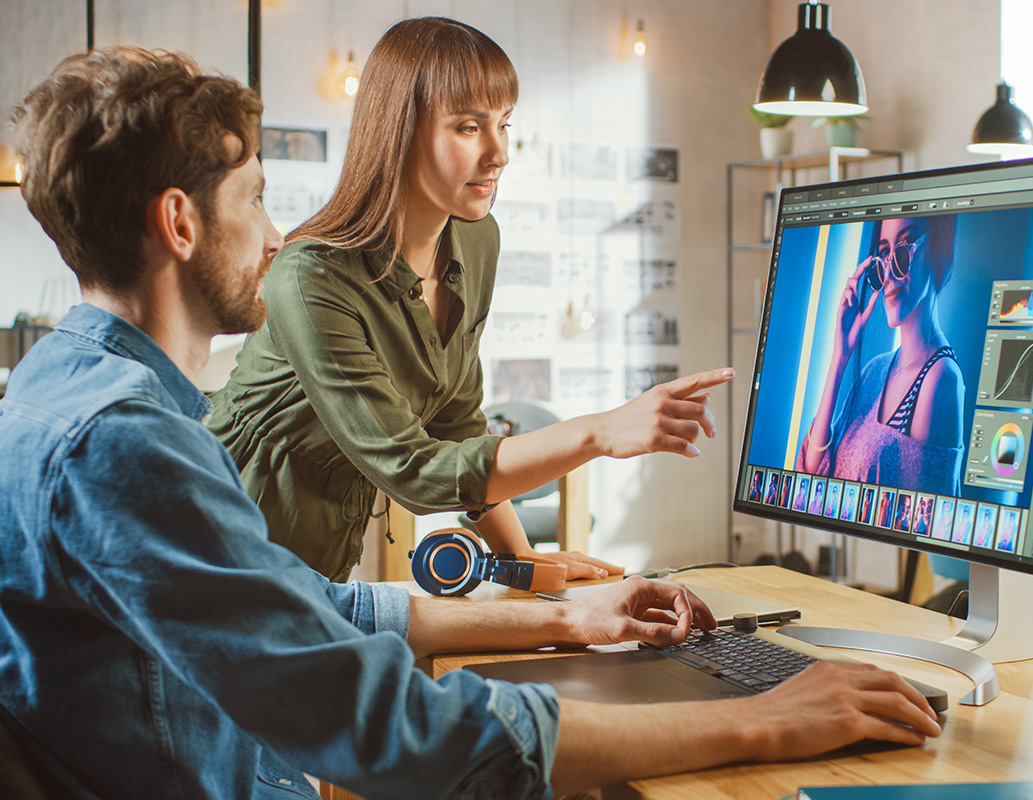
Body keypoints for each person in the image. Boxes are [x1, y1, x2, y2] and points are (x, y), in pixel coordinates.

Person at [0, 45, 941, 800]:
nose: (278, 233)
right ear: (180, 223)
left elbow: (308, 609)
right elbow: (385, 726)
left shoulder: (69, 385)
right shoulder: (123, 443)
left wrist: (561, 616)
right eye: (254, 200)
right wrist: (766, 716)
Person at [206, 16, 728, 582]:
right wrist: (599, 431)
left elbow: (456, 424)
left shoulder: (476, 239)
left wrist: (522, 559)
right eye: (468, 127)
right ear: (399, 131)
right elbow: (411, 469)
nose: (498, 153)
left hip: (322, 560)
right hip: (224, 540)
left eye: (503, 124)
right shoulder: (310, 276)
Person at [798, 216, 965, 497]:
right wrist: (839, 358)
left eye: (902, 252)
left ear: (938, 249)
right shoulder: (875, 370)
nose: (889, 275)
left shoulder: (940, 379)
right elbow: (810, 475)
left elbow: (922, 526)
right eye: (884, 255)